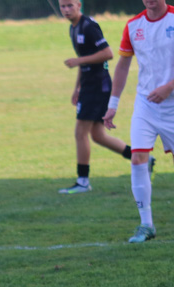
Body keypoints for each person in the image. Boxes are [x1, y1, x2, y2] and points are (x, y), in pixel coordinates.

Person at [103, 0, 174, 243]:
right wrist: (113, 105)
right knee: (138, 158)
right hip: (146, 103)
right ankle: (146, 224)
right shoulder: (133, 25)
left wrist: (170, 86)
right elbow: (123, 65)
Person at [58, 0, 150, 195]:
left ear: (78, 5)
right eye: (62, 6)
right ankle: (144, 159)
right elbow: (84, 62)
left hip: (98, 86)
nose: (66, 10)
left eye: (69, 5)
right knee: (98, 136)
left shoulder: (89, 26)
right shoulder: (73, 29)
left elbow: (107, 53)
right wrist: (77, 88)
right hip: (89, 86)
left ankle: (83, 181)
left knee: (80, 133)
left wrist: (78, 61)